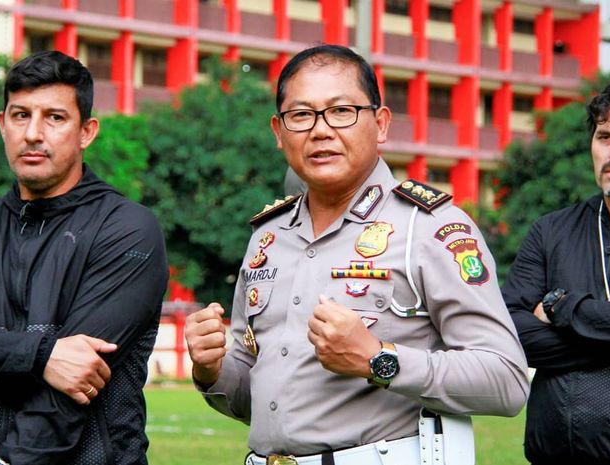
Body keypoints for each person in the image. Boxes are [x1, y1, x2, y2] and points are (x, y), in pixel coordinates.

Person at [186, 44, 529, 465]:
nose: (321, 130)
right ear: (279, 132)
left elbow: (507, 382)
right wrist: (211, 369)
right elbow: (255, 403)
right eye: (301, 115)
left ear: (381, 124)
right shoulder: (268, 238)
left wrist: (377, 359)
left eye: (342, 111)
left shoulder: (430, 228)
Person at [0, 51, 168, 465]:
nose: (32, 133)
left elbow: (72, 387)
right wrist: (42, 355)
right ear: (1, 124)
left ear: (86, 131)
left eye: (55, 118)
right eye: (20, 115)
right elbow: (55, 364)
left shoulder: (128, 229)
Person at [502, 72, 610, 465]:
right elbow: (509, 331)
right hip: (553, 456)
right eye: (604, 137)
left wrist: (560, 308)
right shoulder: (552, 230)